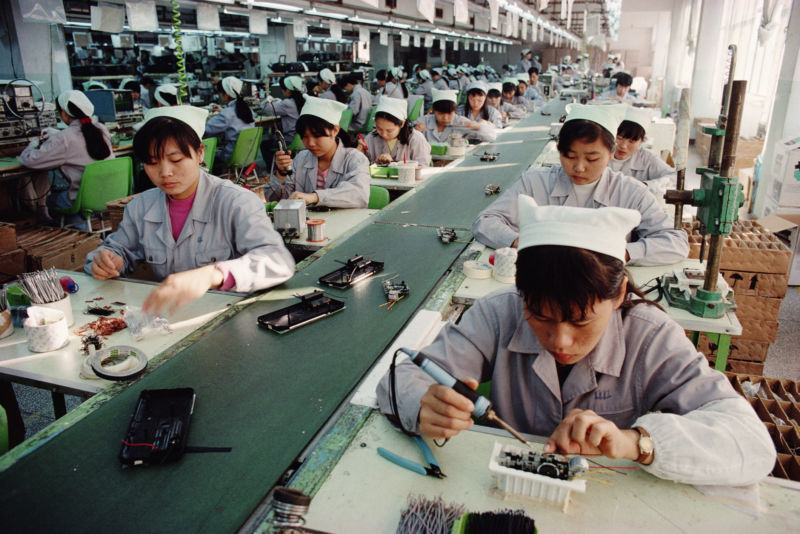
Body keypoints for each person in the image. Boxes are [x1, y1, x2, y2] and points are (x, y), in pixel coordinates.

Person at [377, 195, 775, 487]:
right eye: (540, 316)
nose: (560, 340)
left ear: (618, 297)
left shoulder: (651, 335)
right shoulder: (500, 312)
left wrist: (637, 441)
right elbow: (399, 378)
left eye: (581, 321)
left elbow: (752, 444)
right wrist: (422, 403)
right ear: (521, 295)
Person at [85, 105, 295, 316]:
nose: (165, 172)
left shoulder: (235, 202)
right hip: (170, 318)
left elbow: (278, 261)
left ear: (200, 152)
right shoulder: (140, 208)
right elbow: (118, 249)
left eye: (176, 160)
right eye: (152, 162)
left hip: (227, 317)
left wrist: (213, 275)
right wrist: (107, 261)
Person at [471, 104, 689, 266]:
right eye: (569, 156)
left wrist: (623, 252)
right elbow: (485, 221)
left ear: (611, 155)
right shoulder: (536, 182)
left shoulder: (631, 192)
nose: (579, 168)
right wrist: (522, 241)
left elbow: (676, 242)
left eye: (592, 159)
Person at [19, 90, 113, 225]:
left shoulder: (64, 138)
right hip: (110, 193)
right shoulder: (102, 130)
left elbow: (30, 161)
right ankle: (87, 227)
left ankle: (80, 229)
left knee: (51, 200)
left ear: (63, 112)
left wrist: (32, 145)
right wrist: (58, 134)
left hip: (85, 199)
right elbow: (80, 140)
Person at [270, 97, 369, 208]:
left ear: (335, 130)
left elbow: (359, 195)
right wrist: (281, 175)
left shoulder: (355, 159)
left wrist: (315, 197)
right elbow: (278, 200)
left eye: (317, 136)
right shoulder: (301, 159)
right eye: (304, 137)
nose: (310, 143)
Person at [611, 107, 676, 195]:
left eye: (632, 141)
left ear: (641, 141)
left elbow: (675, 178)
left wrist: (644, 185)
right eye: (619, 138)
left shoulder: (647, 158)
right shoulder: (601, 152)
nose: (623, 146)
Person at [359, 96, 431, 167]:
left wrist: (394, 164)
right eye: (379, 128)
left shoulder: (416, 139)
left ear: (402, 123)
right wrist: (358, 155)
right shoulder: (371, 138)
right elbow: (362, 168)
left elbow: (423, 167)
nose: (384, 134)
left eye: (389, 130)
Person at [204, 76, 255, 163]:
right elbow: (234, 118)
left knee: (204, 156)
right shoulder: (249, 110)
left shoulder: (227, 114)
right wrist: (223, 111)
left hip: (231, 157)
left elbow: (206, 130)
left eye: (220, 93)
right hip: (248, 155)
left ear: (226, 94)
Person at [414, 89, 490, 145]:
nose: (445, 118)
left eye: (450, 113)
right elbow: (406, 134)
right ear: (433, 110)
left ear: (455, 111)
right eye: (440, 113)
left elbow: (491, 137)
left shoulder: (460, 121)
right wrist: (415, 130)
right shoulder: (424, 121)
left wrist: (479, 127)